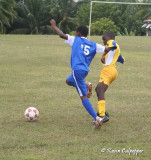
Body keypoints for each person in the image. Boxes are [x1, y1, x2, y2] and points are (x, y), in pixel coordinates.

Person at [50, 19, 115, 128]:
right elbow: (107, 49)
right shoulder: (94, 45)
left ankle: (97, 118)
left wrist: (54, 26)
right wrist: (112, 47)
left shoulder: (75, 39)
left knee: (83, 97)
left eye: (76, 32)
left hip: (77, 71)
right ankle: (86, 84)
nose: (75, 34)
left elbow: (61, 35)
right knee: (68, 81)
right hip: (84, 71)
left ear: (79, 33)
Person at [95, 31, 124, 123]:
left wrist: (103, 54)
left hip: (108, 71)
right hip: (111, 70)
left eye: (104, 39)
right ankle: (102, 112)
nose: (104, 42)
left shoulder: (111, 42)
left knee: (100, 90)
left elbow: (113, 45)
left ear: (110, 37)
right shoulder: (114, 46)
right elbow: (120, 58)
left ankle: (102, 116)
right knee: (97, 89)